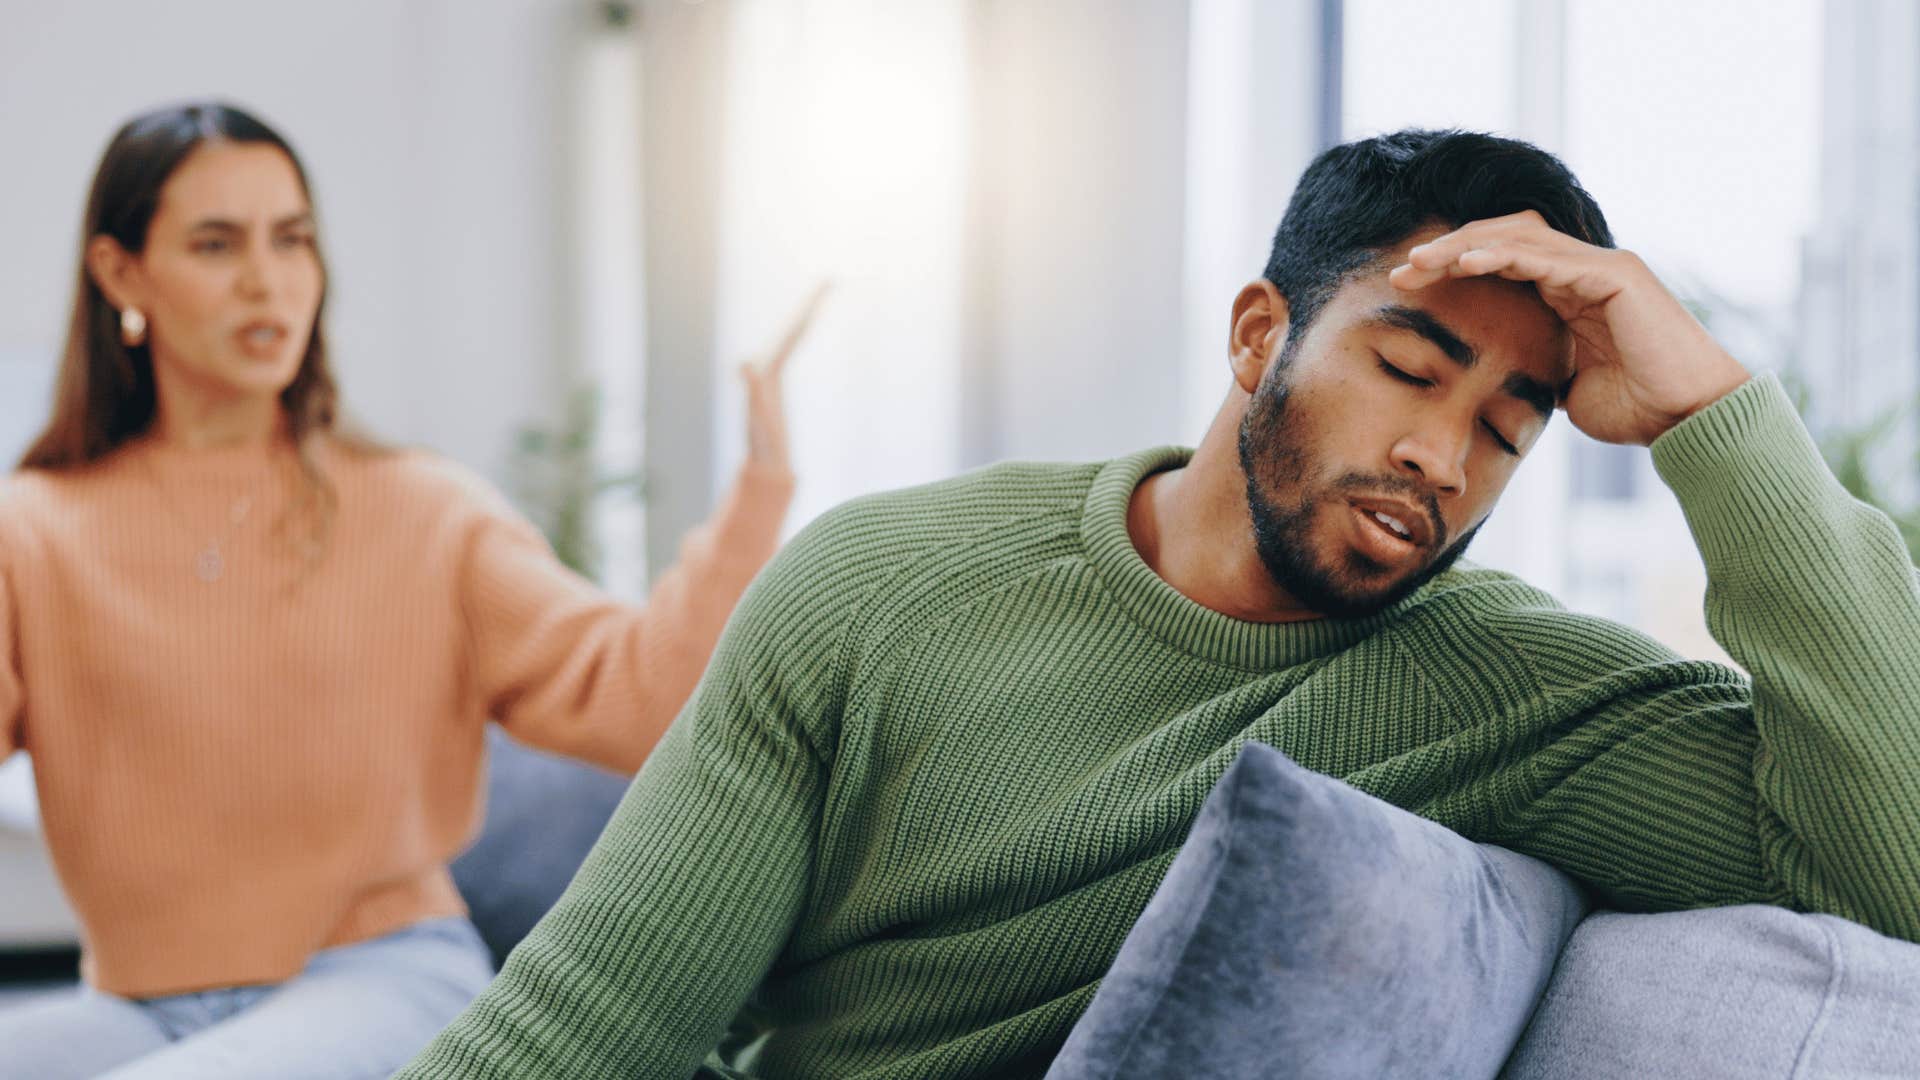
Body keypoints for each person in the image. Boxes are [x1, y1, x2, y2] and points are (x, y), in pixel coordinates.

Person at [397, 130, 1920, 1080]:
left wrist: (1720, 420)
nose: (1438, 457)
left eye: (1510, 425)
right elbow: (590, 1023)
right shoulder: (879, 585)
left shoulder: (1513, 694)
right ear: (1260, 335)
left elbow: (1897, 868)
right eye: (1406, 370)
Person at [0, 101, 813, 1079]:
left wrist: (757, 494)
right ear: (120, 273)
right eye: (217, 244)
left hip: (383, 981)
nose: (267, 279)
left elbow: (640, 695)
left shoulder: (422, 511)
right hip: (138, 1003)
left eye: (291, 239)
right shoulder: (35, 528)